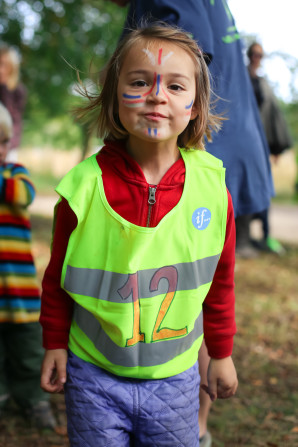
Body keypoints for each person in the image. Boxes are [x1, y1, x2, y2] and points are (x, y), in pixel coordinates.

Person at [40, 24, 238, 446]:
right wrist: (54, 343)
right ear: (115, 94)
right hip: (93, 374)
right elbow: (58, 278)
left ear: (195, 107)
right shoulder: (82, 189)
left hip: (176, 379)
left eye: (175, 86)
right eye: (140, 81)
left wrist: (220, 353)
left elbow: (220, 281)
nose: (156, 95)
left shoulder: (212, 190)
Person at [0, 103, 56, 429]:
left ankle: (34, 400)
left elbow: (24, 195)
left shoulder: (15, 174)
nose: (0, 149)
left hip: (19, 290)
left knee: (27, 350)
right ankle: (3, 397)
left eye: (3, 142)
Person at [247, 42, 292, 254]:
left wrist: (276, 148)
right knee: (243, 188)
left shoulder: (264, 84)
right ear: (249, 55)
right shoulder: (241, 77)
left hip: (261, 145)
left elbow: (273, 115)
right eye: (254, 54)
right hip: (244, 143)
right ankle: (242, 237)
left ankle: (266, 236)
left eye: (260, 54)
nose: (257, 57)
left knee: (264, 188)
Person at [0, 44, 26, 162]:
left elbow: (13, 122)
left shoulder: (17, 91)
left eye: (3, 64)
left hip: (8, 148)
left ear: (12, 67)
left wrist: (7, 146)